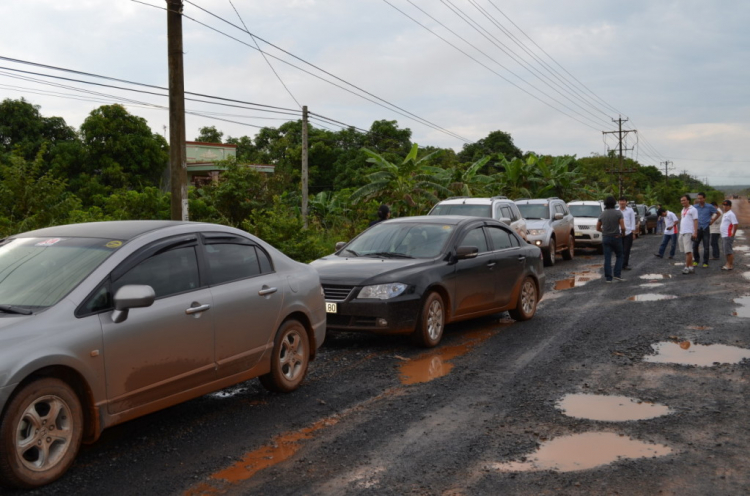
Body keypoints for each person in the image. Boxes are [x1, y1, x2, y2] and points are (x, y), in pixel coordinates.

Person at [596, 196, 626, 282]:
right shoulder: (618, 213)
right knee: (620, 255)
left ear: (605, 204)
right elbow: (623, 227)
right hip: (616, 237)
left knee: (607, 258)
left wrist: (604, 232)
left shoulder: (602, 214)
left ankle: (608, 278)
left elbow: (597, 227)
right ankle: (617, 274)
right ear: (614, 203)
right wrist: (622, 234)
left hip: (606, 238)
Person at [691, 192, 720, 268]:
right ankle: (696, 260)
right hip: (697, 228)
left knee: (706, 247)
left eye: (701, 198)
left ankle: (705, 262)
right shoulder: (694, 207)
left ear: (704, 198)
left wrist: (712, 221)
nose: (700, 200)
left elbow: (718, 213)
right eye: (698, 198)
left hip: (705, 228)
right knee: (695, 245)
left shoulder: (709, 207)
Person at [679, 194, 699, 275]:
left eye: (684, 200)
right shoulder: (683, 209)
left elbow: (695, 221)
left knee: (688, 251)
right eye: (681, 201)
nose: (682, 202)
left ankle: (686, 267)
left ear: (688, 200)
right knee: (686, 251)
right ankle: (691, 267)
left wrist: (695, 232)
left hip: (688, 232)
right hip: (682, 232)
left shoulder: (693, 209)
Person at [720, 200, 739, 271]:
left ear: (730, 206)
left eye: (726, 205)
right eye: (724, 205)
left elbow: (735, 224)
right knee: (726, 251)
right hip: (724, 235)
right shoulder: (725, 214)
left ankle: (730, 265)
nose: (725, 207)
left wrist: (733, 233)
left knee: (728, 251)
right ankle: (727, 263)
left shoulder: (731, 214)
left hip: (728, 235)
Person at [618, 197, 636, 270]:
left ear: (626, 202)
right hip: (618, 233)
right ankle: (619, 264)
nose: (622, 202)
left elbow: (633, 221)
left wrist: (633, 232)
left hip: (628, 232)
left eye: (623, 201)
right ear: (618, 202)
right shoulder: (616, 211)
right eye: (621, 201)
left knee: (626, 249)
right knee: (619, 250)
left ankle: (625, 264)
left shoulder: (630, 210)